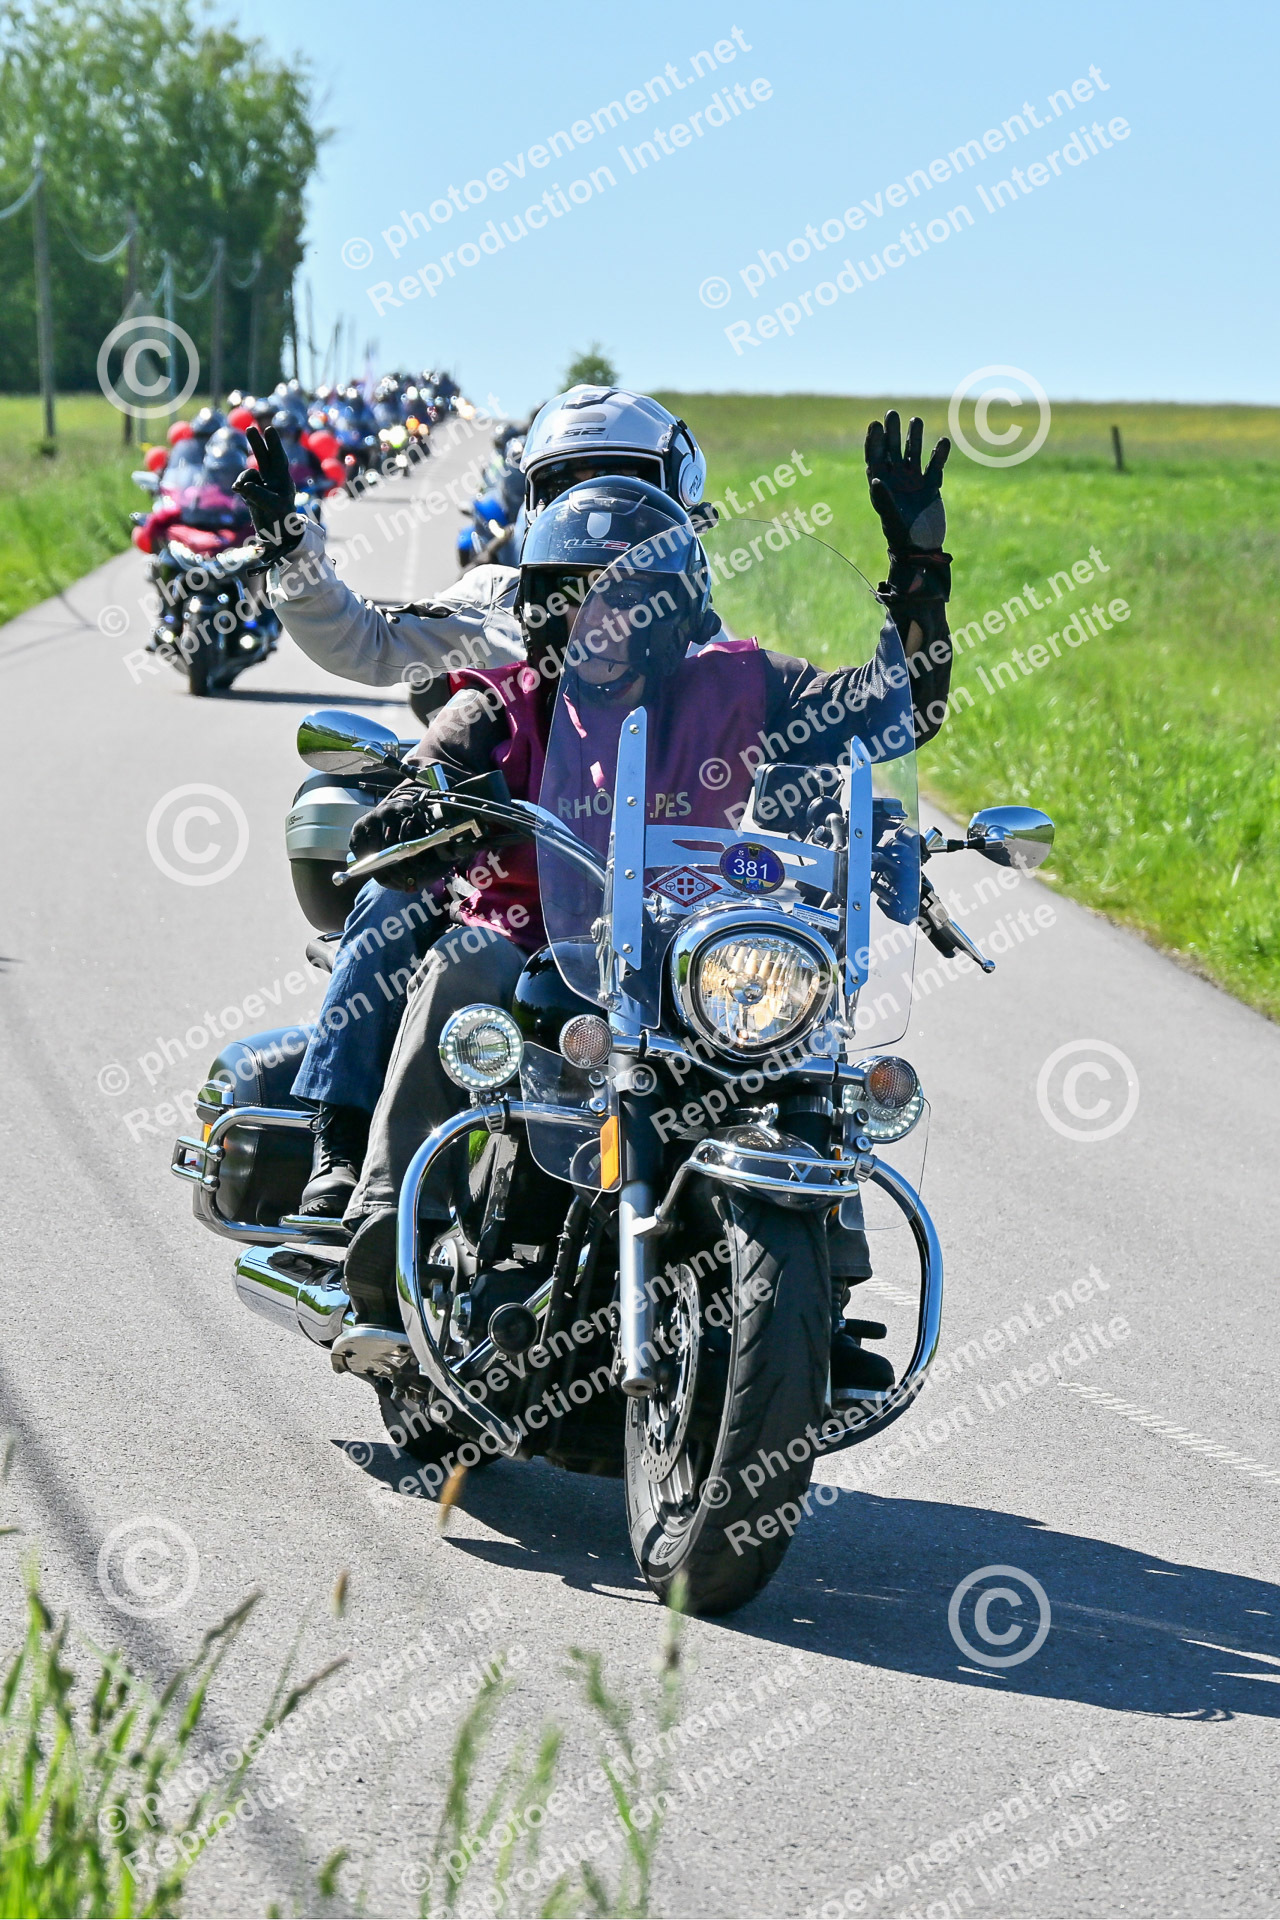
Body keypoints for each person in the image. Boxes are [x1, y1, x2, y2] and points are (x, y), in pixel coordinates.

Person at [333, 415, 953, 1401]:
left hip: (687, 961)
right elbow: (416, 785)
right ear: (544, 610)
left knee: (802, 1017)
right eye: (578, 598)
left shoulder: (741, 684)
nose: (603, 620)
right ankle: (385, 1239)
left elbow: (893, 713)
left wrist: (917, 569)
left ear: (676, 609)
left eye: (631, 597)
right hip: (544, 954)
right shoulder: (500, 702)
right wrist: (417, 805)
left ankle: (813, 1305)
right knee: (463, 960)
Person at [231, 389, 715, 1217]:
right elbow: (363, 640)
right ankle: (339, 1143)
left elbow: (763, 731)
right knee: (391, 897)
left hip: (645, 885)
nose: (596, 509)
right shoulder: (499, 597)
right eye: (568, 485)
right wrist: (290, 550)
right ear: (533, 499)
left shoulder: (690, 616)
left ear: (676, 495)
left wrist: (836, 814)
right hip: (493, 861)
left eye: (623, 481)